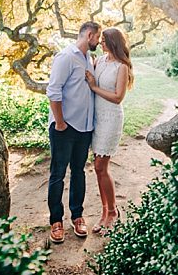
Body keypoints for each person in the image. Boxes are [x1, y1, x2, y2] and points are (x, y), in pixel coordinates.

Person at [46, 21, 101, 244]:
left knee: (78, 172)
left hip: (84, 128)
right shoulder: (66, 56)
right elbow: (53, 90)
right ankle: (56, 220)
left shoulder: (88, 59)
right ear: (89, 35)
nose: (99, 41)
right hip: (64, 127)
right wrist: (59, 122)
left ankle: (77, 216)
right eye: (97, 37)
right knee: (58, 174)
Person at [84, 27, 134, 235]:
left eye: (104, 40)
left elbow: (118, 97)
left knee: (100, 166)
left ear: (113, 42)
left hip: (111, 118)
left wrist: (94, 87)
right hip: (97, 117)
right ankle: (105, 211)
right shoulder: (100, 60)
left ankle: (112, 212)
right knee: (98, 168)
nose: (100, 43)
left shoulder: (122, 67)